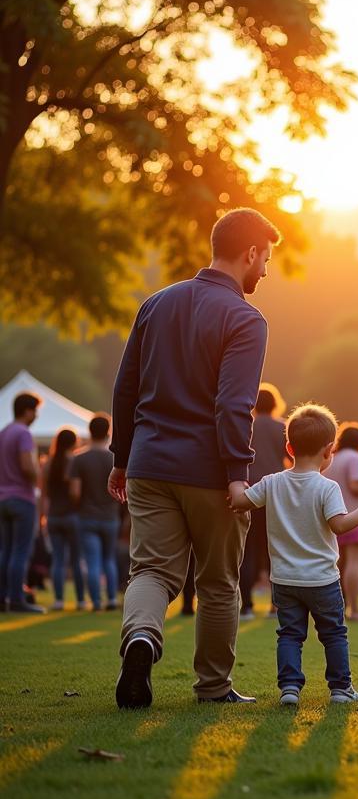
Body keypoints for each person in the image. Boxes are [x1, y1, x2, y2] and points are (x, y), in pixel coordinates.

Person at [110, 207, 278, 709]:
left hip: (148, 464)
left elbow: (125, 388)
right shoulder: (246, 319)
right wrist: (236, 475)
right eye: (265, 259)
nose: (265, 272)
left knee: (152, 573)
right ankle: (213, 688)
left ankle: (141, 637)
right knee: (219, 582)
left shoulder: (156, 303)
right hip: (208, 472)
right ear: (249, 253)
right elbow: (233, 404)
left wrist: (121, 457)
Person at [229, 404, 358, 706]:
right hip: (323, 580)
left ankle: (289, 688)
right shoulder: (327, 488)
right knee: (333, 634)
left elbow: (239, 501)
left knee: (289, 634)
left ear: (288, 447)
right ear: (330, 450)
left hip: (284, 580)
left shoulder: (272, 483)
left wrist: (235, 474)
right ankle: (340, 688)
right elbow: (339, 525)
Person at [239, 383, 288, 620]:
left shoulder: (246, 425)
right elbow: (293, 457)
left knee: (246, 550)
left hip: (248, 492)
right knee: (273, 550)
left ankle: (246, 605)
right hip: (275, 494)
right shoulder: (282, 427)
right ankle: (275, 605)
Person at [324, 422, 358, 621]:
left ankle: (335, 608)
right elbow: (355, 486)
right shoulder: (355, 458)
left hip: (334, 515)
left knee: (338, 563)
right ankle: (355, 609)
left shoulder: (333, 458)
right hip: (356, 514)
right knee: (355, 563)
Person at [0, 392, 45, 614]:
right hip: (21, 498)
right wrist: (38, 476)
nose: (36, 415)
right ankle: (17, 600)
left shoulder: (4, 432)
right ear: (27, 410)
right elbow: (28, 467)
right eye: (35, 410)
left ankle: (2, 597)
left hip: (3, 498)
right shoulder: (24, 433)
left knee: (5, 550)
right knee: (20, 551)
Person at [71, 414, 121, 612]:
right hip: (110, 516)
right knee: (109, 559)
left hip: (87, 516)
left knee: (92, 561)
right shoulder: (115, 459)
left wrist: (80, 505)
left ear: (90, 431)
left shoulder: (79, 458)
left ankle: (96, 601)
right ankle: (111, 598)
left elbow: (75, 492)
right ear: (108, 431)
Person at [43, 428, 85, 611]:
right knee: (76, 560)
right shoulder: (73, 461)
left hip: (53, 516)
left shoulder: (48, 463)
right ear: (73, 442)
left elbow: (44, 493)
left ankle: (58, 599)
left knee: (58, 560)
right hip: (72, 516)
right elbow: (75, 492)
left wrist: (43, 516)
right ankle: (81, 600)